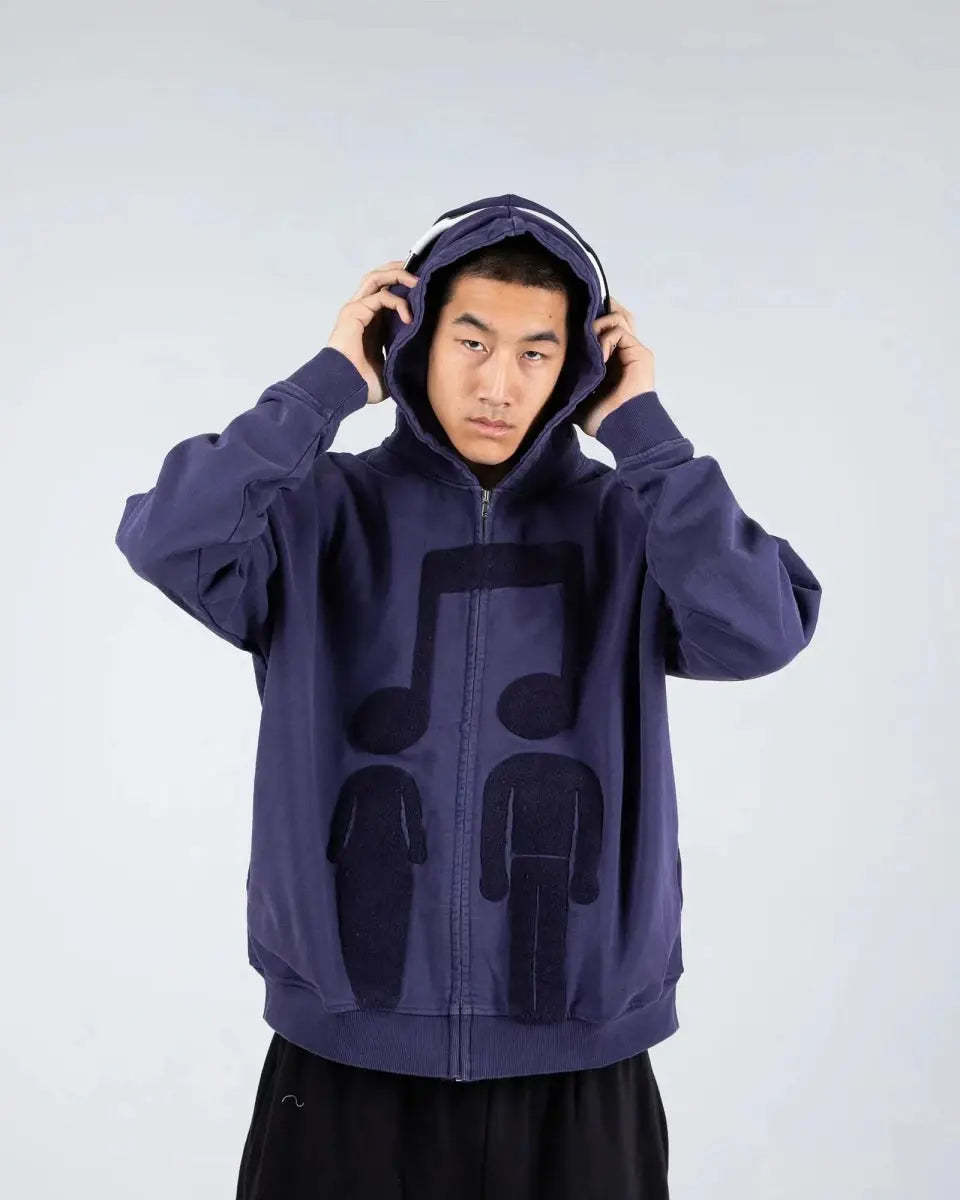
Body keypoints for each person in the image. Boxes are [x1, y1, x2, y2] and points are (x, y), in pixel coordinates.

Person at [114, 193, 822, 1198]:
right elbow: (167, 538)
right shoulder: (317, 513)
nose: (498, 383)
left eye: (537, 352)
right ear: (412, 337)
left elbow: (765, 628)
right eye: (472, 341)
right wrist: (325, 386)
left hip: (580, 1068)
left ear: (579, 367)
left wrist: (647, 438)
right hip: (344, 1062)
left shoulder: (634, 522)